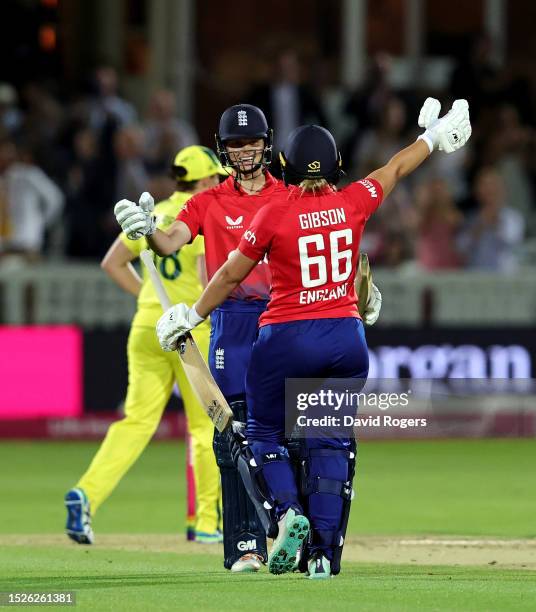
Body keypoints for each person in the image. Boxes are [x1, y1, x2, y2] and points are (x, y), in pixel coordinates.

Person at [154, 97, 472, 578]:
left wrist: (191, 315)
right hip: (346, 339)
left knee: (261, 432)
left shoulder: (273, 213)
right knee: (329, 444)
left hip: (283, 336)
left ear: (281, 161)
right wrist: (432, 137)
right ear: (338, 165)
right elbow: (396, 167)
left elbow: (225, 277)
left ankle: (285, 513)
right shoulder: (354, 201)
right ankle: (323, 556)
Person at [113, 103, 383, 572]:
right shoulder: (209, 201)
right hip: (234, 325)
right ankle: (246, 546)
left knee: (299, 438)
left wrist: (361, 289)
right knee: (232, 436)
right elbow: (173, 238)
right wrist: (147, 234)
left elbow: (339, 241)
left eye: (252, 142)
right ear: (223, 150)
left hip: (285, 319)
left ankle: (294, 537)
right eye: (236, 144)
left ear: (267, 144)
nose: (245, 151)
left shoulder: (293, 193)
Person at [64, 145, 226, 545]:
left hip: (148, 327)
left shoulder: (153, 214)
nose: (222, 183)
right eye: (217, 178)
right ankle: (206, 524)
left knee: (135, 423)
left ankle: (87, 493)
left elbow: (112, 262)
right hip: (190, 331)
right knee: (205, 427)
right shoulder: (204, 212)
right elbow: (209, 281)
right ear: (204, 181)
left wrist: (147, 298)